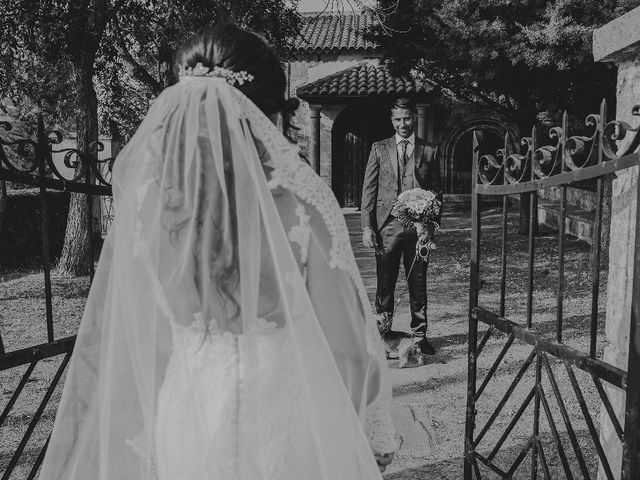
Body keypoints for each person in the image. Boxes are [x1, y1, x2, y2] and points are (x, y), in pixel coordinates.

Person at [39, 23, 396, 479]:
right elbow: (347, 350)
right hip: (285, 423)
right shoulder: (299, 201)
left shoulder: (152, 209)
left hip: (189, 420)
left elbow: (142, 343)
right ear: (267, 114)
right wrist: (351, 437)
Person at [361, 97, 443, 355]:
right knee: (385, 283)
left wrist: (430, 224)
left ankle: (420, 336)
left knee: (418, 281)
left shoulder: (429, 150)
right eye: (398, 119)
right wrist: (367, 226)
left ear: (414, 118)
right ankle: (382, 336)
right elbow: (369, 189)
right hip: (387, 227)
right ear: (392, 120)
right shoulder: (379, 148)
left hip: (418, 230)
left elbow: (437, 191)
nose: (403, 124)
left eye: (407, 118)